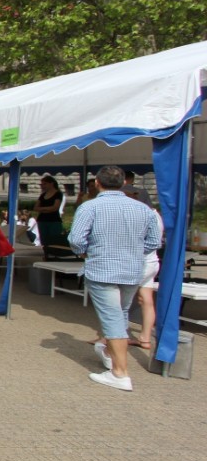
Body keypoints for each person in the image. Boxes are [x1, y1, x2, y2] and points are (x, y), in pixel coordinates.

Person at [68, 166, 162, 391]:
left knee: (113, 319)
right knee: (120, 314)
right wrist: (134, 251)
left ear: (98, 183)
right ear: (123, 183)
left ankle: (120, 373)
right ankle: (111, 355)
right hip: (132, 269)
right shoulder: (143, 209)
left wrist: (85, 251)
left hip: (103, 267)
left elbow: (76, 239)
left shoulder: (90, 207)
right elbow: (154, 241)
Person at [130, 200, 163, 352]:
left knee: (117, 301)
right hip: (151, 263)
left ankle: (109, 337)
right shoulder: (156, 216)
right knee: (146, 300)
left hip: (139, 263)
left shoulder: (146, 215)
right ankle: (145, 337)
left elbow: (151, 242)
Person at [34, 175, 65, 247]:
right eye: (41, 184)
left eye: (45, 184)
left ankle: (55, 254)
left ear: (51, 183)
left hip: (54, 220)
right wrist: (47, 209)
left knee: (55, 239)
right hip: (42, 220)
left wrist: (42, 209)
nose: (42, 186)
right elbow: (35, 208)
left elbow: (55, 207)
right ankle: (46, 254)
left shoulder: (58, 194)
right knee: (44, 240)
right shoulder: (43, 195)